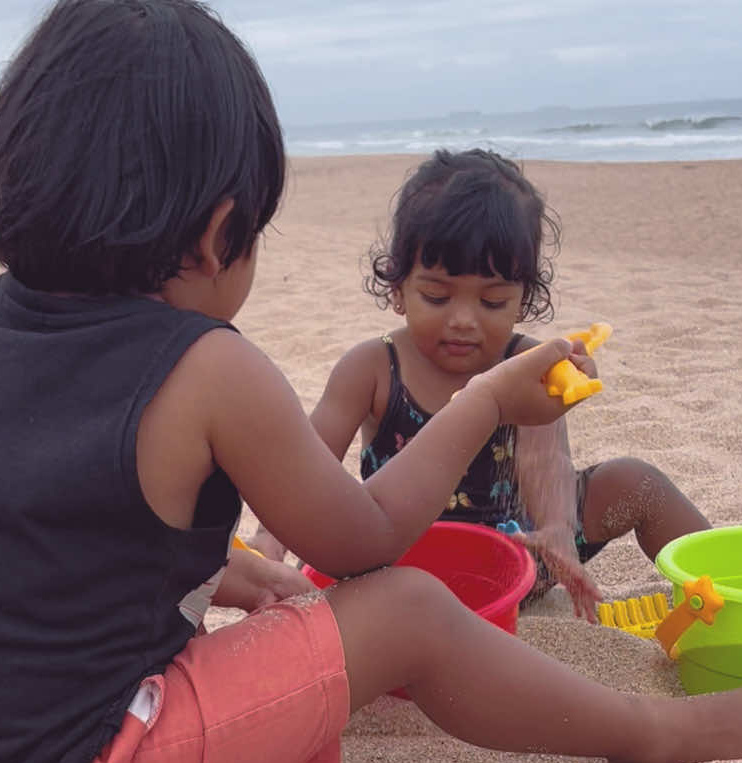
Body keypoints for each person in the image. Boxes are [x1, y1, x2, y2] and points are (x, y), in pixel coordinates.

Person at [0, 0, 742, 763]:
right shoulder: (207, 366)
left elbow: (45, 536)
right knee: (406, 609)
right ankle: (650, 733)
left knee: (280, 609)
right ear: (217, 234)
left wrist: (237, 572)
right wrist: (485, 401)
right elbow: (365, 538)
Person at [251, 148, 710, 620]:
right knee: (329, 541)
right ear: (398, 288)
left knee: (636, 482)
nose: (464, 320)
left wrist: (556, 530)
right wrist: (269, 543)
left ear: (524, 299)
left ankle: (725, 589)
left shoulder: (526, 360)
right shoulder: (372, 366)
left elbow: (544, 459)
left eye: (492, 302)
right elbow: (306, 467)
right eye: (436, 295)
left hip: (522, 553)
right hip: (400, 562)